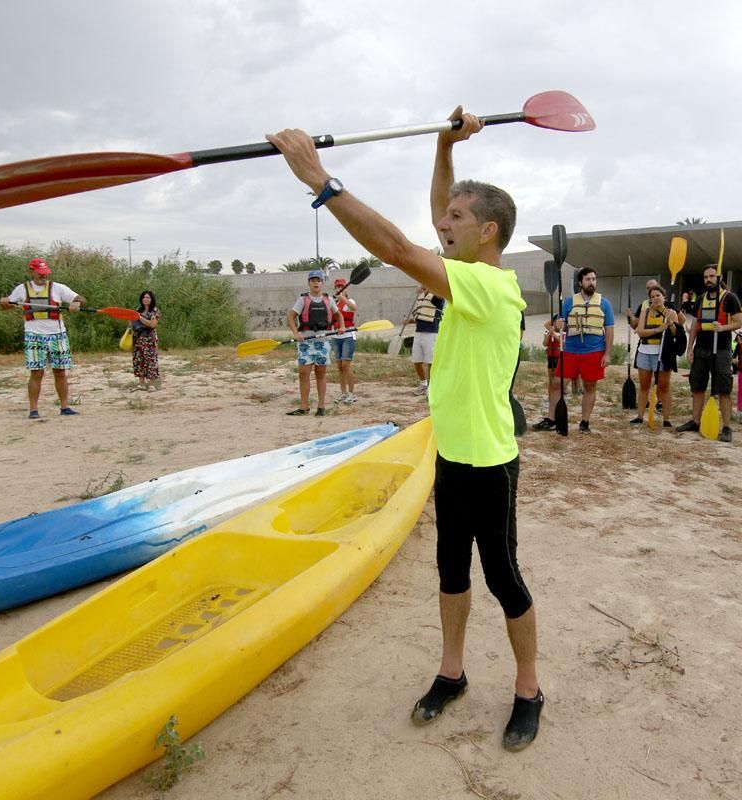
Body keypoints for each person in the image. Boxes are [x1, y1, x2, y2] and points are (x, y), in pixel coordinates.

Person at [268, 105, 542, 750]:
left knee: (502, 576)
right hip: (451, 454)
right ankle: (453, 673)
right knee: (451, 570)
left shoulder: (490, 288)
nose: (442, 224)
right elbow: (428, 226)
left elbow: (394, 248)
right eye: (444, 216)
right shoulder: (468, 272)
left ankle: (528, 687)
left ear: (488, 233)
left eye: (456, 218)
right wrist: (445, 147)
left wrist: (319, 179)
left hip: (491, 460)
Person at [0, 257, 85, 419]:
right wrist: (4, 303)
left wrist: (77, 303)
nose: (43, 276)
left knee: (60, 372)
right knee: (36, 373)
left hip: (57, 335)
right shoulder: (22, 289)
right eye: (40, 273)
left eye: (45, 273)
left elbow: (80, 298)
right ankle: (33, 410)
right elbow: (7, 306)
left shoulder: (58, 288)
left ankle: (65, 407)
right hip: (34, 335)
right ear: (31, 272)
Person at [674, 264, 742, 441]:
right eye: (706, 277)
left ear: (719, 278)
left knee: (724, 389)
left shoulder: (730, 298)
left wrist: (722, 327)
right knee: (697, 387)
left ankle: (727, 427)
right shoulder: (701, 298)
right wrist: (690, 349)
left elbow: (738, 323)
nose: (708, 280)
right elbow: (695, 324)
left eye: (712, 276)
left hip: (721, 350)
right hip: (702, 349)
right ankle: (695, 421)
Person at [548, 266, 614, 433]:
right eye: (588, 279)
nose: (592, 282)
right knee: (557, 384)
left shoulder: (604, 304)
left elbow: (610, 330)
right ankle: (551, 419)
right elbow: (559, 324)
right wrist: (559, 325)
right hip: (570, 350)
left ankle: (585, 422)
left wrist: (607, 353)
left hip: (594, 351)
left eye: (593, 279)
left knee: (590, 386)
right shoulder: (569, 302)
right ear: (580, 282)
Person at [286, 270, 344, 417]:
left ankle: (321, 407)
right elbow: (291, 316)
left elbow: (339, 315)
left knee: (321, 373)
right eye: (313, 280)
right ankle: (304, 407)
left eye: (318, 280)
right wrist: (296, 333)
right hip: (306, 342)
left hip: (323, 342)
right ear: (309, 283)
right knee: (303, 373)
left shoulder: (328, 300)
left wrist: (341, 327)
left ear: (322, 282)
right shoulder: (303, 300)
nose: (316, 282)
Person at [631, 285, 683, 426]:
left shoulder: (671, 313)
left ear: (663, 297)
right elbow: (640, 332)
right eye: (652, 297)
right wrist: (658, 329)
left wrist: (670, 322)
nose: (655, 299)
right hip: (645, 351)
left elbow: (676, 333)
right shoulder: (645, 312)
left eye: (657, 296)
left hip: (663, 353)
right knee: (644, 386)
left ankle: (666, 419)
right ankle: (640, 417)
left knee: (663, 387)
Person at [408, 285, 445, 395]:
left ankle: (432, 386)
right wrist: (408, 321)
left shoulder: (437, 296)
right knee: (416, 360)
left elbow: (440, 297)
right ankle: (423, 384)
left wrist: (429, 286)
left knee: (431, 362)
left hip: (432, 333)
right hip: (419, 332)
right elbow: (419, 315)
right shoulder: (420, 297)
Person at [533, 316, 565, 430]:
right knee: (550, 379)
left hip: (559, 358)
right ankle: (550, 395)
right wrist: (549, 333)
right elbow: (544, 343)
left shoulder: (563, 333)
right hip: (550, 357)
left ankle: (558, 394)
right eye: (555, 321)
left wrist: (554, 334)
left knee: (557, 379)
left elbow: (562, 343)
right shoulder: (549, 331)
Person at [331, 277, 358, 404]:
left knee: (345, 366)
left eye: (342, 286)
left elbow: (353, 308)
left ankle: (352, 394)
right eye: (337, 287)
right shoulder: (334, 304)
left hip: (348, 336)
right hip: (336, 338)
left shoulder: (349, 300)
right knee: (339, 367)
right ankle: (343, 393)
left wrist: (344, 299)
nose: (339, 289)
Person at [131, 289, 161, 392]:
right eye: (144, 297)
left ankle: (152, 384)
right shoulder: (138, 309)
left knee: (151, 360)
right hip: (138, 338)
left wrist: (139, 317)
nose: (145, 299)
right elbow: (132, 323)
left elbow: (152, 324)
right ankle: (141, 384)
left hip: (149, 338)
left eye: (148, 297)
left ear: (151, 299)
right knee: (139, 360)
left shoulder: (155, 311)